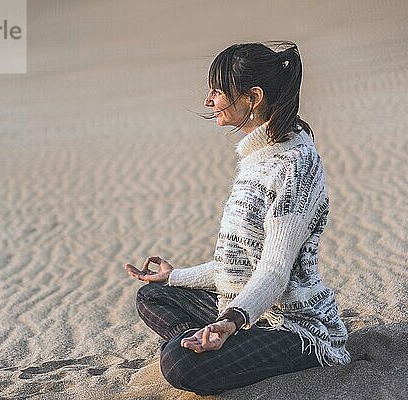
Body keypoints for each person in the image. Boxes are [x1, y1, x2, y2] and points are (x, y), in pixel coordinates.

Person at [124, 41, 351, 396]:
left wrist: (229, 322)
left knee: (178, 365)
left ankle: (206, 344)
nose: (208, 101)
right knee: (153, 296)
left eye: (217, 91)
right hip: (246, 309)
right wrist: (175, 276)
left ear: (253, 96)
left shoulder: (295, 165)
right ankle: (206, 342)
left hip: (290, 325)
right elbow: (241, 261)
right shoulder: (256, 158)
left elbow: (274, 270)